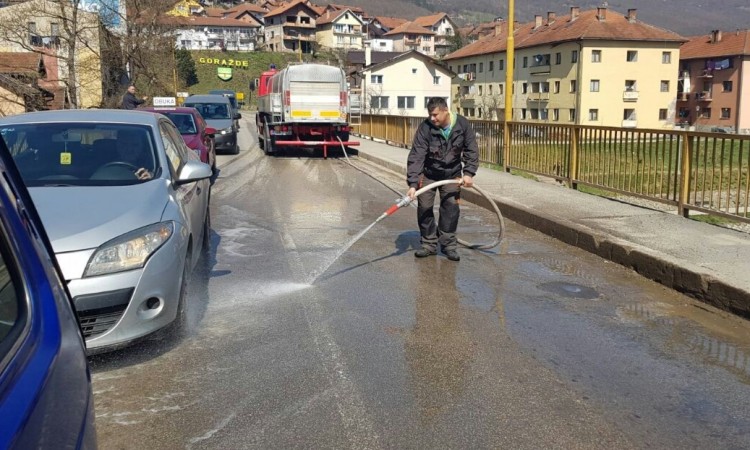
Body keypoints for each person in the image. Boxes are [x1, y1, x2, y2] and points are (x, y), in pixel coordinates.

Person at [406, 97, 479, 262]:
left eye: (435, 115)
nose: (432, 118)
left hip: (452, 175)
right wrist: (412, 184)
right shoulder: (425, 128)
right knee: (424, 207)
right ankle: (429, 244)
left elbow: (471, 149)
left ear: (446, 110)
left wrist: (468, 173)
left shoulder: (462, 124)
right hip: (428, 174)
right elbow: (417, 155)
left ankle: (448, 246)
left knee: (451, 209)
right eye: (430, 115)